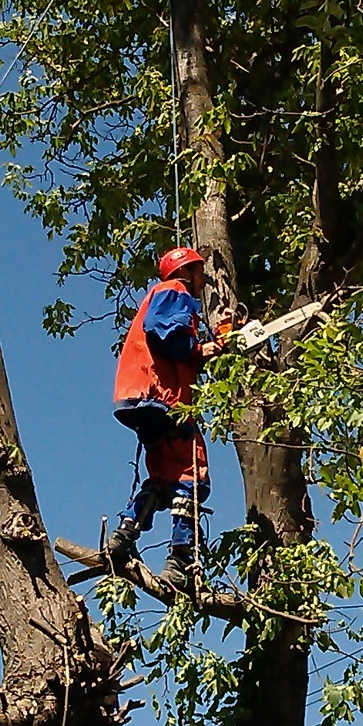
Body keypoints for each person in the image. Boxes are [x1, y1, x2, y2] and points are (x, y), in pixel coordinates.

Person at [108, 246, 221, 591]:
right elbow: (165, 331)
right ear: (188, 271)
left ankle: (124, 533)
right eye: (200, 273)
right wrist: (198, 349)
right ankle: (181, 559)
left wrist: (199, 355)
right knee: (191, 473)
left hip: (140, 401)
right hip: (161, 397)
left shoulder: (159, 295)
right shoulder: (175, 291)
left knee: (162, 477)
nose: (204, 281)